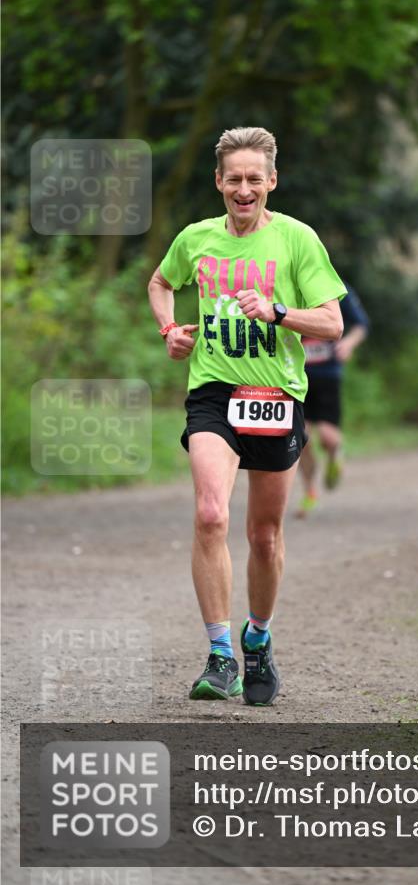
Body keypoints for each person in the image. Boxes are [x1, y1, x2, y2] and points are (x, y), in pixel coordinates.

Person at [148, 126, 345, 706]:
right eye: (233, 178)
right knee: (211, 514)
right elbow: (161, 282)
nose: (243, 188)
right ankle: (219, 655)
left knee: (264, 535)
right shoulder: (196, 239)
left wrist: (279, 311)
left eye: (253, 178)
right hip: (213, 391)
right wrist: (170, 330)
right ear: (218, 182)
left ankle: (256, 638)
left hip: (277, 394)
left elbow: (331, 323)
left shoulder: (297, 241)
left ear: (271, 182)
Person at [297, 284, 369, 515]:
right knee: (301, 437)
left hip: (328, 375)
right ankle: (309, 492)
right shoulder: (286, 282)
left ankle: (335, 453)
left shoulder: (336, 287)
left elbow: (361, 324)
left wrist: (348, 343)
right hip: (296, 376)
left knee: (327, 437)